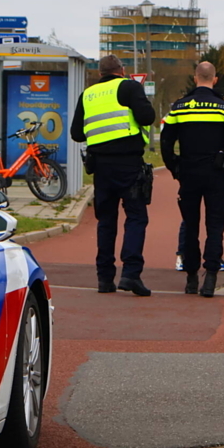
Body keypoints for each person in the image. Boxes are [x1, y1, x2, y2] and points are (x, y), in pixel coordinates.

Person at [70, 54, 156, 296]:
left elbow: (77, 133)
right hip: (128, 163)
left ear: (100, 73)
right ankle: (130, 274)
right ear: (121, 70)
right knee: (136, 217)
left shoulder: (87, 94)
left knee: (106, 222)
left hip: (101, 167)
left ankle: (104, 279)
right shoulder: (129, 87)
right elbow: (147, 117)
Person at [161, 61, 224, 297]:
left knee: (190, 226)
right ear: (214, 80)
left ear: (195, 78)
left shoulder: (179, 107)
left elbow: (167, 142)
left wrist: (175, 168)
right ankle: (211, 280)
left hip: (188, 173)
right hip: (217, 174)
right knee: (215, 227)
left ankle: (190, 279)